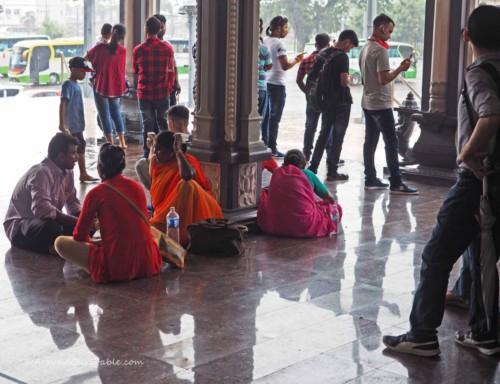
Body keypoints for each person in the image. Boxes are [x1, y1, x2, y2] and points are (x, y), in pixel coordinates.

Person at [382, 4, 500, 357]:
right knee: (480, 251)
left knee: (435, 256)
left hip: (476, 179)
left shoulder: (479, 72)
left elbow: (491, 114)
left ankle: (421, 335)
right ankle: (483, 332)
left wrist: (466, 152)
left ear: (466, 36)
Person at [54, 144, 162, 283]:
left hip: (117, 269)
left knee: (60, 242)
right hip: (148, 264)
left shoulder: (96, 193)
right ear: (122, 166)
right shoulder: (137, 187)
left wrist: (94, 244)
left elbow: (80, 235)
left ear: (99, 168)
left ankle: (93, 267)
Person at [359, 14, 418, 194]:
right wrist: (400, 68)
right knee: (391, 143)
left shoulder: (365, 48)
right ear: (382, 27)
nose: (390, 35)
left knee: (370, 142)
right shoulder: (380, 50)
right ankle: (396, 183)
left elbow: (364, 79)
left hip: (367, 101)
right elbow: (383, 79)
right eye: (389, 31)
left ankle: (370, 178)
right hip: (380, 104)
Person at [3, 133, 82, 254]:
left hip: (46, 220)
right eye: (73, 153)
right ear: (61, 156)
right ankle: (50, 247)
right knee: (51, 227)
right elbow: (42, 210)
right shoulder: (41, 172)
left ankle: (57, 243)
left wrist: (83, 218)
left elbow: (72, 202)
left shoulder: (68, 172)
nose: (77, 157)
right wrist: (76, 221)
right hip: (21, 228)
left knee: (83, 227)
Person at [143, 131, 223, 245]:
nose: (155, 152)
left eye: (159, 149)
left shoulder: (188, 161)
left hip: (201, 212)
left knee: (187, 185)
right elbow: (152, 157)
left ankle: (183, 233)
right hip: (168, 212)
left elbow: (187, 175)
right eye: (156, 148)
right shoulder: (157, 161)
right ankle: (174, 230)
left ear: (172, 151)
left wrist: (178, 152)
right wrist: (152, 146)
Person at [307, 30, 359, 181]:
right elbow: (343, 81)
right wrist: (349, 77)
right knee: (337, 137)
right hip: (340, 103)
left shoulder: (323, 53)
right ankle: (332, 172)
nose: (349, 49)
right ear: (347, 42)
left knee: (323, 135)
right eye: (351, 46)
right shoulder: (342, 57)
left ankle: (313, 167)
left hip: (325, 101)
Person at [257, 149, 341, 238]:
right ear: (304, 165)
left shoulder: (278, 172)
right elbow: (330, 199)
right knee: (336, 208)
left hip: (274, 224)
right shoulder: (308, 174)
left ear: (283, 164)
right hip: (304, 225)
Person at [262, 16, 306, 158]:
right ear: (279, 28)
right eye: (286, 27)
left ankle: (265, 145)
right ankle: (272, 148)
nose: (287, 31)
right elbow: (285, 65)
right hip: (277, 84)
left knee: (266, 117)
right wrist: (297, 60)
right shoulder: (279, 44)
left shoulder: (264, 41)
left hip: (266, 82)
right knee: (274, 118)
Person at [133, 16, 176, 158]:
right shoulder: (168, 48)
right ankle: (168, 151)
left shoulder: (138, 50)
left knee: (148, 124)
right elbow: (170, 69)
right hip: (162, 92)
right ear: (160, 29)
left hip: (144, 93)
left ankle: (148, 154)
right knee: (164, 123)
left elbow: (135, 70)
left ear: (146, 29)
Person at [86, 24, 128, 149]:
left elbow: (85, 59)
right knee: (116, 113)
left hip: (101, 86)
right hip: (115, 88)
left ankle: (110, 144)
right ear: (122, 37)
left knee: (104, 115)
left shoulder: (100, 47)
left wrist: (96, 67)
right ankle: (122, 143)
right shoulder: (123, 50)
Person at [58, 56, 99, 182]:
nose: (83, 74)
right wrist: (62, 124)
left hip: (77, 124)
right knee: (75, 148)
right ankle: (81, 174)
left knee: (78, 147)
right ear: (73, 70)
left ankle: (80, 174)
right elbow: (63, 103)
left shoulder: (76, 85)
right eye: (82, 71)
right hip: (72, 125)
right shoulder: (68, 84)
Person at [296, 33, 330, 162]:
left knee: (310, 126)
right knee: (327, 126)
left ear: (316, 44)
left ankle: (306, 154)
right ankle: (329, 154)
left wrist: (308, 92)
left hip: (312, 98)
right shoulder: (330, 59)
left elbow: (299, 80)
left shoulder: (307, 60)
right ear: (328, 45)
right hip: (327, 98)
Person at [153, 14, 181, 108]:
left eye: (163, 26)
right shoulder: (147, 47)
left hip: (169, 88)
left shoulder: (168, 45)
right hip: (156, 91)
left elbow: (173, 65)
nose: (161, 29)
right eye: (159, 26)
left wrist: (176, 82)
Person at [258, 18, 272, 133]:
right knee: (259, 119)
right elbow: (269, 65)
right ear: (261, 29)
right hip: (260, 87)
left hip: (243, 90)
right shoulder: (263, 48)